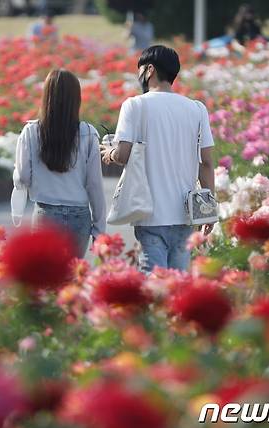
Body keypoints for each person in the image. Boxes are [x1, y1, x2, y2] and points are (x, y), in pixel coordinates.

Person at [100, 45, 215, 273]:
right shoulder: (196, 109)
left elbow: (123, 154)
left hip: (150, 215)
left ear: (150, 69)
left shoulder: (135, 105)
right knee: (178, 288)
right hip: (185, 215)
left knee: (154, 289)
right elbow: (207, 163)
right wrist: (209, 209)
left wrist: (108, 153)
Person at [12, 69, 106, 257]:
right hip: (79, 215)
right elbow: (95, 184)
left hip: (46, 214)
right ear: (76, 99)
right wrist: (99, 229)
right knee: (72, 277)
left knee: (47, 278)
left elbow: (22, 177)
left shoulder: (31, 131)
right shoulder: (88, 133)